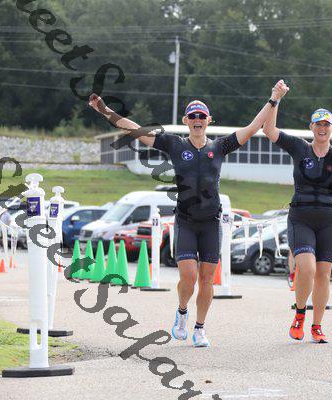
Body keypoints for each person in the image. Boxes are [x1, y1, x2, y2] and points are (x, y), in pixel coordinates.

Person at [88, 80, 288, 347]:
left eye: (201, 116)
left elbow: (253, 127)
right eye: (192, 116)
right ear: (185, 121)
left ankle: (200, 328)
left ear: (208, 121)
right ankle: (182, 311)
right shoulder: (174, 144)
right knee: (189, 277)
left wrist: (274, 98)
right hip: (185, 221)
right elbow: (134, 129)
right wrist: (104, 110)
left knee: (207, 279)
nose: (197, 120)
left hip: (211, 223)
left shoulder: (219, 147)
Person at [262, 100, 332, 343]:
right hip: (301, 216)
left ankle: (317, 325)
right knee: (307, 268)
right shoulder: (299, 147)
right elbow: (268, 129)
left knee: (324, 274)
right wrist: (275, 99)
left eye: (326, 124)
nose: (322, 128)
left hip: (328, 218)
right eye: (318, 124)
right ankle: (300, 313)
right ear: (311, 127)